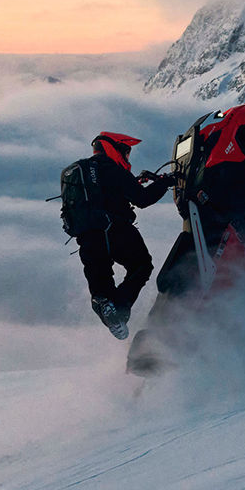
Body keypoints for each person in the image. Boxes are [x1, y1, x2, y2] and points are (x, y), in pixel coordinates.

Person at [75, 131, 174, 340]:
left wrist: (134, 182)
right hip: (114, 229)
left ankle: (105, 305)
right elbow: (142, 198)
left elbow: (110, 193)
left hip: (86, 236)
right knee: (142, 265)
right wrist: (165, 182)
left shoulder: (86, 172)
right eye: (126, 152)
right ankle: (119, 309)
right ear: (115, 149)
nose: (127, 157)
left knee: (101, 283)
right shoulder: (112, 168)